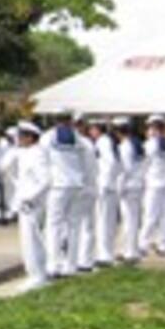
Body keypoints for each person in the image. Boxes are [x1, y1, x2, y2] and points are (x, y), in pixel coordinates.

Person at [3, 121, 49, 289]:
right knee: (27, 240)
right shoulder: (25, 152)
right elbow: (5, 167)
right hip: (24, 202)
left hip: (32, 203)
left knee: (32, 240)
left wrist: (30, 198)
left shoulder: (38, 154)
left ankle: (37, 275)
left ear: (30, 137)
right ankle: (35, 273)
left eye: (21, 136)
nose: (18, 139)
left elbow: (45, 180)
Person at [41, 111, 87, 278]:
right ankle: (71, 265)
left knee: (54, 225)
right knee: (74, 226)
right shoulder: (78, 138)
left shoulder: (48, 137)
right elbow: (83, 162)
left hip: (58, 185)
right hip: (76, 184)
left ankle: (54, 264)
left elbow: (43, 162)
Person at [138, 114, 165, 256]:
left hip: (153, 183)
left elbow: (144, 164)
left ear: (153, 128)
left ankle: (143, 244)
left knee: (150, 215)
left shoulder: (150, 144)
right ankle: (163, 245)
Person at [89, 120, 121, 266]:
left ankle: (104, 254)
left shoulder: (103, 141)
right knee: (108, 221)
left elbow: (110, 162)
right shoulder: (109, 141)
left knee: (103, 221)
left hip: (105, 186)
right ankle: (107, 252)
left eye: (92, 129)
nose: (90, 132)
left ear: (97, 129)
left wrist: (105, 182)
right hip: (110, 186)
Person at [114, 117, 146, 262]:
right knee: (133, 219)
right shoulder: (139, 145)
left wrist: (119, 188)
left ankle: (130, 251)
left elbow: (124, 170)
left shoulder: (125, 146)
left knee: (128, 220)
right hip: (138, 184)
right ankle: (132, 249)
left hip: (128, 186)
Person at [72, 113, 99, 272]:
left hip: (77, 188)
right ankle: (85, 260)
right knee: (87, 226)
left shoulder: (78, 143)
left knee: (74, 226)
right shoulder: (88, 143)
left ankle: (74, 260)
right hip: (88, 187)